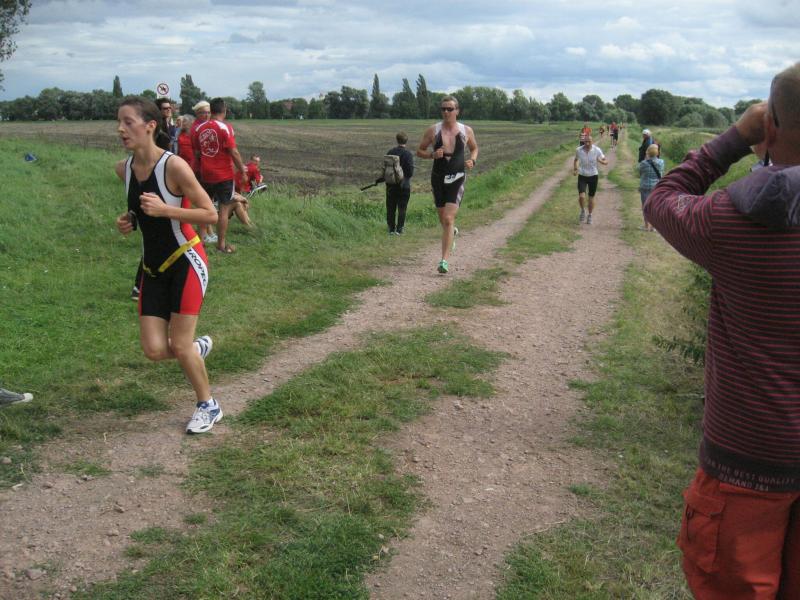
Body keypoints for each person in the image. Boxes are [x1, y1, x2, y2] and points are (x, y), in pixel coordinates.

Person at [644, 62, 800, 598]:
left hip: (745, 461)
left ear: (769, 125)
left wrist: (733, 139)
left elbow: (662, 198)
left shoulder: (733, 221)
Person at [114, 96, 221, 434]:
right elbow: (140, 209)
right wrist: (130, 220)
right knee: (155, 349)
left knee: (179, 343)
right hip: (152, 268)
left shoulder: (173, 166)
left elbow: (210, 214)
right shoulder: (124, 169)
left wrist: (166, 210)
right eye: (119, 122)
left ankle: (208, 405)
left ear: (150, 126)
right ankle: (195, 350)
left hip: (186, 260)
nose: (120, 129)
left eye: (128, 122)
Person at [417, 96, 478, 274]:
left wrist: (472, 160)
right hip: (438, 178)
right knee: (443, 220)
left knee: (449, 219)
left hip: (457, 177)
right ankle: (452, 232)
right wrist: (432, 155)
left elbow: (474, 148)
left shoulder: (466, 130)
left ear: (457, 111)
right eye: (443, 109)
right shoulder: (433, 130)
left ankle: (444, 261)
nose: (446, 112)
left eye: (450, 109)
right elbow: (419, 150)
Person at [194, 97, 247, 254]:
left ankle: (200, 243)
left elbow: (197, 153)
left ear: (211, 110)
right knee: (224, 209)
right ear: (224, 110)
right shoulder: (226, 128)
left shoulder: (198, 129)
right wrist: (243, 171)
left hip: (205, 174)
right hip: (223, 175)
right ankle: (221, 245)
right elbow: (233, 151)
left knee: (204, 207)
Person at [573, 135, 608, 225]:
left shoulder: (597, 150)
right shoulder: (579, 150)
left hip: (593, 176)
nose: (587, 143)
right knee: (581, 196)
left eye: (589, 141)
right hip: (582, 175)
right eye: (586, 141)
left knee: (591, 198)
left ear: (592, 141)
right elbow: (576, 160)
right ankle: (582, 210)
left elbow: (605, 161)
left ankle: (590, 215)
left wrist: (601, 161)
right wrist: (575, 169)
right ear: (583, 142)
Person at [385, 132, 415, 235]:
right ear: (406, 141)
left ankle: (391, 229)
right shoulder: (408, 154)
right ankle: (399, 229)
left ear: (397, 140)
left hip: (391, 185)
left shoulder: (390, 152)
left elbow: (385, 169)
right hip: (404, 186)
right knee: (402, 208)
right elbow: (410, 173)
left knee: (390, 208)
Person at [637, 143, 663, 231]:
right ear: (657, 152)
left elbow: (640, 173)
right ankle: (654, 227)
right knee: (654, 207)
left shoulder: (643, 163)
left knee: (645, 206)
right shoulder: (661, 162)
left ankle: (646, 226)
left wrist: (646, 158)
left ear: (648, 152)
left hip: (645, 187)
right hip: (656, 187)